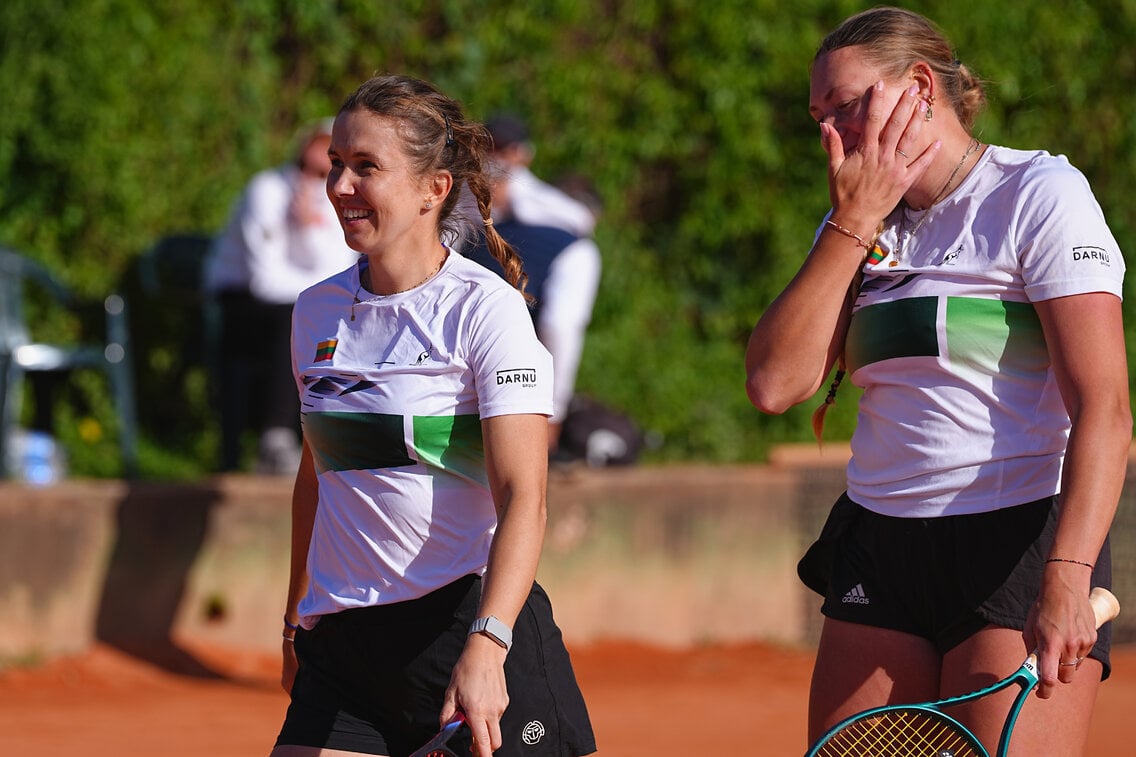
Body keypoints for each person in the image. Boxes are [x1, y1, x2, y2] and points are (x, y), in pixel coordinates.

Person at [744, 7, 1129, 754]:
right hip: (879, 544)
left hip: (1017, 539)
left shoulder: (1038, 192)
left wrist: (1066, 576)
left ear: (920, 86)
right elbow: (774, 384)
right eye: (820, 118)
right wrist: (852, 221)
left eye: (846, 106)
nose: (833, 135)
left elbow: (1105, 410)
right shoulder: (858, 222)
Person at [270, 75, 596, 757]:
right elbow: (316, 476)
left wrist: (488, 643)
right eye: (336, 163)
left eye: (366, 166)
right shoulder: (314, 311)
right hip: (344, 646)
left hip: (465, 628)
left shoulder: (485, 310)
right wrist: (297, 618)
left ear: (434, 188)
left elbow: (525, 496)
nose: (340, 186)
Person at [206, 118, 360, 474]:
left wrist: (309, 231)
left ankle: (324, 436)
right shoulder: (266, 192)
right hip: (240, 299)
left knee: (322, 317)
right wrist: (316, 291)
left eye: (329, 169)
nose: (316, 180)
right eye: (310, 167)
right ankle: (276, 437)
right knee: (298, 319)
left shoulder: (336, 200)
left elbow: (339, 271)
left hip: (289, 302)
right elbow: (264, 281)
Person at [466, 161, 602, 454]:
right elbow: (560, 327)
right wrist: (554, 413)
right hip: (508, 367)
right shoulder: (578, 247)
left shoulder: (483, 228)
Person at [485, 113, 597, 237]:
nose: (493, 155)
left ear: (523, 155)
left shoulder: (530, 197)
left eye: (501, 149)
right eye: (488, 146)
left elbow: (581, 219)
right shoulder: (469, 189)